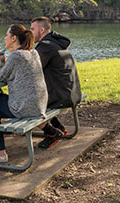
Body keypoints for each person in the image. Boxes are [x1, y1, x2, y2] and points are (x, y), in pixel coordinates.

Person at [0, 24, 53, 163]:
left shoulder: (17, 55)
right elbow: (6, 73)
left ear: (13, 38)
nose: (5, 37)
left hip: (24, 108)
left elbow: (1, 77)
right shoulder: (32, 53)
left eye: (7, 35)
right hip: (39, 104)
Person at [30, 16, 82, 149]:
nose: (30, 33)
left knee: (28, 103)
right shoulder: (55, 42)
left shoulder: (46, 46)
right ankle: (59, 127)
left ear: (41, 30)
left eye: (32, 29)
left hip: (62, 96)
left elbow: (31, 70)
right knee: (36, 95)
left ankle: (52, 133)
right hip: (71, 93)